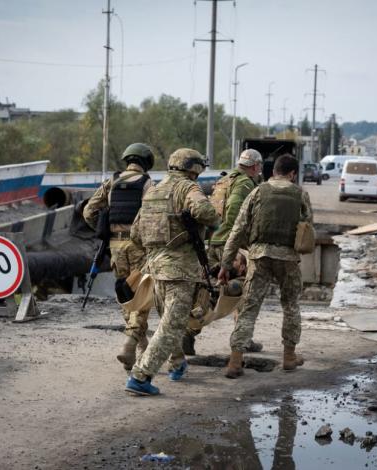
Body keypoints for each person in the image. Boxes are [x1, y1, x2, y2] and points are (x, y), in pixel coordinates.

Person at [125, 148, 220, 396]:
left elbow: (135, 234)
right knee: (172, 325)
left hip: (155, 268)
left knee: (169, 321)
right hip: (180, 269)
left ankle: (177, 363)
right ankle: (140, 376)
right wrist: (212, 220)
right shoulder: (188, 188)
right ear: (193, 167)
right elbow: (206, 212)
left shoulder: (153, 191)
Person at [218, 154, 313, 379]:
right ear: (293, 174)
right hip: (288, 259)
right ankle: (289, 356)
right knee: (290, 305)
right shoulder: (300, 194)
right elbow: (308, 227)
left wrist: (225, 263)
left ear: (273, 172)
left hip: (259, 256)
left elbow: (238, 229)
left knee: (249, 307)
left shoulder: (257, 191)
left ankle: (235, 361)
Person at [181, 148, 264, 355]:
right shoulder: (245, 183)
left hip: (214, 241)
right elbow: (236, 214)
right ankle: (243, 338)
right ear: (254, 167)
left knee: (207, 290)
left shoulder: (223, 181)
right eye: (259, 167)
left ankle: (189, 333)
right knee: (246, 289)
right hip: (232, 245)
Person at [82, 143, 155, 370]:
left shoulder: (111, 182)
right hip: (138, 246)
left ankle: (139, 346)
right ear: (145, 162)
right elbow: (152, 215)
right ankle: (130, 343)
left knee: (125, 294)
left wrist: (105, 228)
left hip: (115, 246)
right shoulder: (147, 183)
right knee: (141, 296)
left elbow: (88, 212)